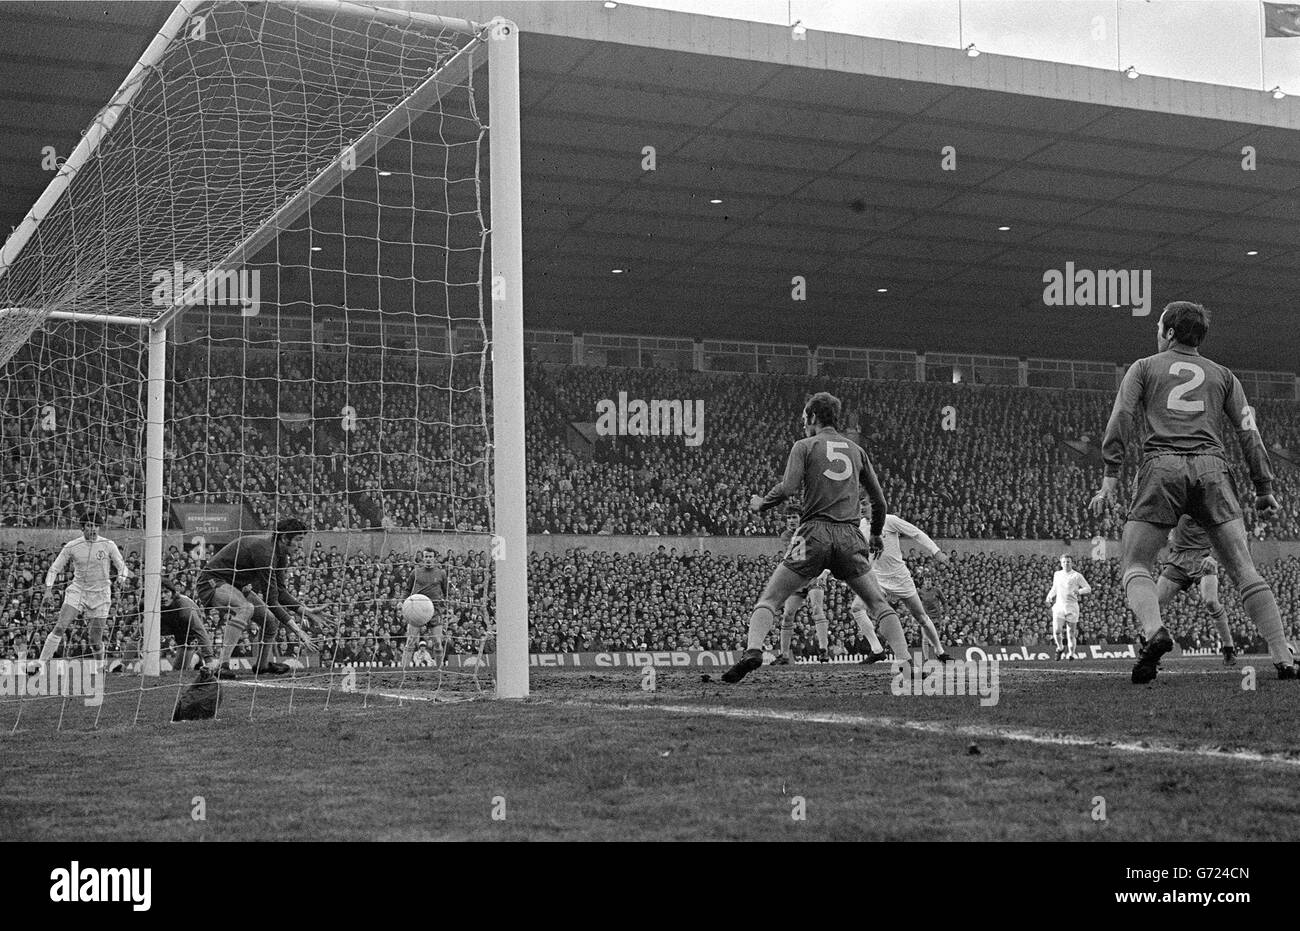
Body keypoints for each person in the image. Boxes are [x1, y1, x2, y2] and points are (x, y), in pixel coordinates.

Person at [1089, 301, 1297, 683]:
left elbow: (1121, 417)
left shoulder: (1144, 367)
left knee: (1135, 563)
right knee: (1244, 569)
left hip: (1162, 466)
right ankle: (1283, 657)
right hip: (1212, 468)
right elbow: (1248, 430)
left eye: (1158, 327)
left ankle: (1155, 632)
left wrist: (1110, 478)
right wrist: (1264, 486)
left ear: (1169, 332)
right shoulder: (1224, 376)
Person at [722, 391, 910, 684]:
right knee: (877, 604)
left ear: (812, 417)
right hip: (850, 536)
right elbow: (880, 502)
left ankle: (754, 651)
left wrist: (762, 504)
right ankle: (905, 660)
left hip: (812, 534)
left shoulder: (804, 446)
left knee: (770, 599)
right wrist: (874, 534)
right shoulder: (857, 451)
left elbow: (787, 488)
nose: (803, 425)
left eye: (804, 419)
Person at [197, 518, 326, 679]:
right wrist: (298, 631)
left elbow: (280, 592)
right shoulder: (265, 552)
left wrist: (305, 611)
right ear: (285, 538)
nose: (301, 545)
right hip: (213, 581)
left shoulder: (280, 556)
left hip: (237, 585)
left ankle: (262, 666)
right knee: (246, 608)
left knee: (271, 621)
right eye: (298, 539)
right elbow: (272, 601)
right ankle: (222, 665)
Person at [853, 510, 953, 663]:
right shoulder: (860, 527)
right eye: (859, 503)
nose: (861, 507)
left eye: (865, 503)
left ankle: (940, 651)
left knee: (921, 617)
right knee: (857, 607)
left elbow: (916, 533)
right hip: (878, 578)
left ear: (874, 504)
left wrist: (936, 551)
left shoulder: (890, 520)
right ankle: (877, 649)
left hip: (900, 578)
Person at [32, 514, 129, 671]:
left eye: (96, 526)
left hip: (101, 594)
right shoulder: (72, 545)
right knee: (60, 627)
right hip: (78, 591)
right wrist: (48, 589)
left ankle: (100, 667)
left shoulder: (108, 544)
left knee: (94, 640)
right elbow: (54, 568)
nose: (93, 529)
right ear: (82, 528)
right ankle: (40, 664)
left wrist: (121, 578)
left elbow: (122, 567)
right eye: (89, 526)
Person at [1156, 515, 1237, 666]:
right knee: (1155, 604)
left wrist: (1213, 557)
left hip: (1203, 558)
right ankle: (1151, 652)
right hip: (1177, 559)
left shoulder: (1207, 502)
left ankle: (1228, 646)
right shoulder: (1175, 499)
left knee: (1211, 602)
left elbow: (1226, 533)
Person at [774, 513, 830, 664]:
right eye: (789, 518)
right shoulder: (786, 535)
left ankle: (824, 650)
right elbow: (793, 554)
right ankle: (785, 655)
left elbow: (826, 551)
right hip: (797, 577)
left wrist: (825, 571)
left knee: (817, 609)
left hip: (813, 575)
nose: (791, 520)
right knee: (787, 615)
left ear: (801, 518)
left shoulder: (813, 531)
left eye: (794, 517)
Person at [159, 577, 225, 678]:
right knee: (146, 623)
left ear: (172, 593)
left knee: (179, 671)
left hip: (186, 628)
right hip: (169, 622)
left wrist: (209, 660)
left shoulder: (185, 609)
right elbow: (134, 614)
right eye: (160, 593)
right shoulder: (148, 603)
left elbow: (200, 631)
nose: (162, 596)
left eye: (166, 592)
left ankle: (197, 658)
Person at [401, 548, 449, 669]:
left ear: (435, 558)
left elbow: (446, 592)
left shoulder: (441, 573)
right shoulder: (415, 572)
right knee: (411, 641)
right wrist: (402, 601)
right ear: (422, 558)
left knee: (438, 643)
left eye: (430, 556)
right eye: (426, 556)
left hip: (434, 610)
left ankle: (439, 670)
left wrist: (446, 605)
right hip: (416, 609)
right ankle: (403, 671)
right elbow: (407, 589)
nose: (428, 559)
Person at [1045, 554, 1092, 660]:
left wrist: (1079, 591)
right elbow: (1055, 587)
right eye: (1064, 562)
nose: (1066, 563)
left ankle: (1071, 654)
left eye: (1068, 561)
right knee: (1057, 630)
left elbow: (1088, 588)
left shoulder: (1076, 575)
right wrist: (1049, 596)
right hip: (1059, 606)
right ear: (1061, 563)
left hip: (1072, 607)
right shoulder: (1057, 574)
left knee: (1070, 633)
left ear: (1072, 563)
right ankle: (1060, 648)